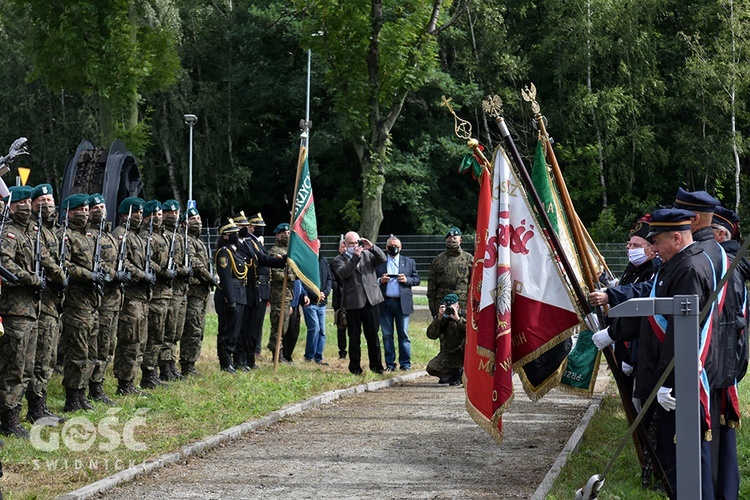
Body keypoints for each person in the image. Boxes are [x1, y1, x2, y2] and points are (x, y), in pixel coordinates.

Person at [636, 208, 716, 497]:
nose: (654, 248)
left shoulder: (689, 269)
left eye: (657, 240)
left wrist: (667, 382)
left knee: (686, 461)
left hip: (678, 384)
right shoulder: (681, 263)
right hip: (673, 378)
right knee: (677, 462)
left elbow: (682, 332)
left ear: (677, 238)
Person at [591, 215, 661, 489]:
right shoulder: (633, 270)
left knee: (647, 412)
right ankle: (648, 460)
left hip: (645, 351)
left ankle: (655, 466)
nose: (629, 248)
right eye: (628, 243)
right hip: (629, 353)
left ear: (651, 248)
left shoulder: (655, 270)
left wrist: (611, 296)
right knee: (638, 409)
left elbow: (642, 297)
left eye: (636, 243)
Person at [0, 186, 44, 438]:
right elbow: (6, 266)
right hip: (14, 310)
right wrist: (33, 279)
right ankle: (8, 421)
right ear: (11, 206)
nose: (28, 205)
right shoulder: (9, 234)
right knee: (13, 369)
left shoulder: (27, 235)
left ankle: (14, 417)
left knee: (26, 368)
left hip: (30, 310)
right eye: (23, 202)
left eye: (30, 201)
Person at [26, 184, 66, 422]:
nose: (48, 204)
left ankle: (41, 406)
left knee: (48, 357)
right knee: (40, 357)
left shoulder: (51, 230)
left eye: (51, 199)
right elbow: (46, 259)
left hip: (52, 302)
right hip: (39, 303)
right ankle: (35, 410)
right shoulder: (32, 229)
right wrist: (59, 274)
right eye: (43, 199)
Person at [59, 193, 101, 412]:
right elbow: (64, 265)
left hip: (92, 303)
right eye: (80, 210)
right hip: (76, 303)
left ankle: (82, 394)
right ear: (69, 212)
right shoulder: (65, 236)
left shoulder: (90, 237)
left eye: (87, 210)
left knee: (90, 352)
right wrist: (88, 274)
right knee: (77, 353)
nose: (85, 213)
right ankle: (72, 399)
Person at [234, 212, 286, 370]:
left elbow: (263, 259)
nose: (261, 230)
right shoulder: (243, 243)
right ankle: (241, 359)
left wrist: (284, 260)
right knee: (245, 327)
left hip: (260, 290)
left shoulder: (254, 243)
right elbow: (261, 260)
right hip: (249, 289)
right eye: (257, 227)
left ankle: (250, 359)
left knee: (254, 328)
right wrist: (282, 260)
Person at [112, 197, 153, 396]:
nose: (140, 216)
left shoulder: (138, 237)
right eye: (135, 212)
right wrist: (140, 274)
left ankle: (131, 381)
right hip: (130, 297)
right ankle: (124, 382)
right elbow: (122, 262)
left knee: (140, 342)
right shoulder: (120, 235)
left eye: (140, 212)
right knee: (130, 341)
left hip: (142, 297)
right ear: (125, 214)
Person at [330, 231, 386, 375]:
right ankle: (355, 367)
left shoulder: (367, 255)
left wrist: (372, 246)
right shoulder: (338, 260)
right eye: (351, 243)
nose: (354, 246)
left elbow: (383, 258)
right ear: (345, 244)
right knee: (354, 338)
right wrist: (354, 257)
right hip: (353, 303)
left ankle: (376, 366)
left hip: (371, 301)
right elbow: (343, 274)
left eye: (356, 243)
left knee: (373, 336)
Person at [87, 193, 122, 405]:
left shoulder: (109, 235)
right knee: (99, 346)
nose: (99, 210)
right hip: (102, 299)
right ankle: (95, 387)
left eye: (101, 205)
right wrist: (112, 274)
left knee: (108, 345)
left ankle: (98, 384)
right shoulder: (91, 236)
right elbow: (94, 263)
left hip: (115, 299)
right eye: (95, 207)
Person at [140, 200, 175, 389]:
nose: (158, 218)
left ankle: (158, 369)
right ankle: (148, 374)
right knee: (153, 336)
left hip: (166, 293)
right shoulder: (146, 238)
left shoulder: (164, 237)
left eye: (160, 214)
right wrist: (162, 271)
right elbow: (145, 261)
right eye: (153, 215)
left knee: (163, 334)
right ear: (146, 218)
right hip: (155, 294)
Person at [180, 207, 216, 376]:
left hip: (202, 292)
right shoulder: (186, 240)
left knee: (199, 329)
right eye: (193, 218)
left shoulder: (199, 241)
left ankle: (192, 362)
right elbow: (194, 262)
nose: (197, 221)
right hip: (193, 291)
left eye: (198, 217)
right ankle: (186, 364)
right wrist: (210, 277)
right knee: (192, 329)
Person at [375, 235, 420, 371]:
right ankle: (390, 363)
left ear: (400, 248)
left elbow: (417, 279)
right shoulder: (380, 263)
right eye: (391, 246)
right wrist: (380, 281)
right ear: (386, 247)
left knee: (403, 334)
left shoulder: (409, 262)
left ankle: (405, 363)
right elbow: (371, 280)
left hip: (402, 303)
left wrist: (407, 280)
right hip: (385, 302)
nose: (393, 248)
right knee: (387, 335)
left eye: (396, 246)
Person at [160, 199, 190, 381]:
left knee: (176, 331)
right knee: (167, 331)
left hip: (181, 291)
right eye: (169, 213)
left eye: (175, 212)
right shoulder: (163, 235)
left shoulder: (180, 235)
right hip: (169, 290)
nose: (173, 216)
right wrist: (181, 270)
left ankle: (171, 363)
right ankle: (164, 366)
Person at [214, 218, 247, 373]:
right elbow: (226, 278)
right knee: (227, 330)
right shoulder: (223, 253)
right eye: (233, 233)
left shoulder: (236, 251)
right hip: (228, 297)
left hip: (239, 294)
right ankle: (225, 362)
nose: (236, 234)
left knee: (235, 331)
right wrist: (231, 300)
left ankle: (231, 361)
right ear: (225, 236)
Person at [267, 223, 297, 362]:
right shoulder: (275, 252)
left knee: (285, 325)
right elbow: (275, 273)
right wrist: (292, 276)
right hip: (279, 294)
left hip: (288, 293)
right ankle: (276, 354)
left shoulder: (291, 251)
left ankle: (281, 352)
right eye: (283, 232)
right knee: (278, 324)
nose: (287, 235)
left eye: (288, 232)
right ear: (277, 235)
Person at [427, 227, 473, 317]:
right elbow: (431, 285)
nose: (452, 240)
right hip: (442, 301)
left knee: (460, 329)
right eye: (449, 238)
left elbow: (475, 284)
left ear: (460, 240)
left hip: (462, 303)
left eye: (455, 238)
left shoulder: (469, 259)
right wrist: (433, 307)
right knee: (441, 329)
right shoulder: (438, 260)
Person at [426, 293, 465, 386]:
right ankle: (453, 375)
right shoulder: (443, 318)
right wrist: (439, 318)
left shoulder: (465, 315)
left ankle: (462, 374)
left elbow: (471, 331)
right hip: (450, 353)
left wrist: (458, 319)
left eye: (451, 307)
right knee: (432, 368)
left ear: (457, 306)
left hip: (465, 353)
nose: (449, 310)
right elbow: (431, 335)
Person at [302, 253, 333, 365]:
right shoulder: (306, 262)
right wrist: (315, 294)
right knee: (314, 328)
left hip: (322, 302)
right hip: (310, 302)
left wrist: (325, 293)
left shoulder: (323, 261)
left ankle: (318, 357)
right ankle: (309, 356)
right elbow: (303, 281)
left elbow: (329, 278)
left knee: (322, 331)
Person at [283, 278, 309, 363]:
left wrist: (305, 295)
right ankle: (283, 356)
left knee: (294, 333)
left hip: (296, 306)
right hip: (289, 305)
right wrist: (288, 304)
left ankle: (288, 355)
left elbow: (301, 285)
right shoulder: (289, 273)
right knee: (287, 332)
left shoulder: (298, 273)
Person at [331, 236, 348, 360]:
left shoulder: (353, 260)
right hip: (339, 300)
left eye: (347, 246)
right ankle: (342, 351)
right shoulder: (336, 261)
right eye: (343, 247)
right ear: (339, 249)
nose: (345, 249)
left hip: (352, 300)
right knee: (341, 327)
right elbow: (333, 280)